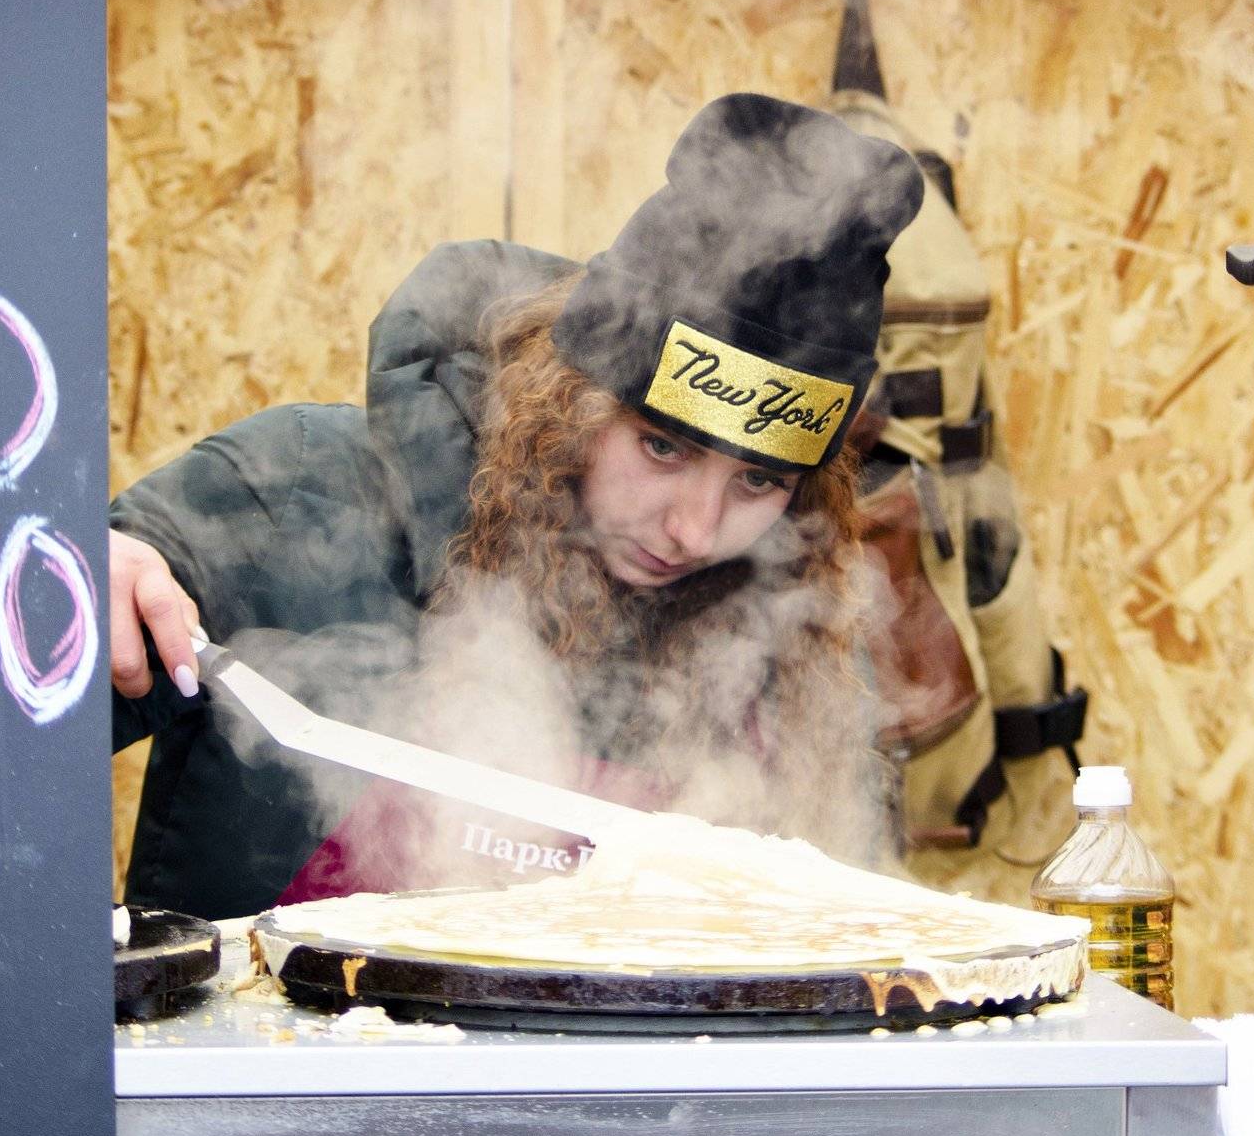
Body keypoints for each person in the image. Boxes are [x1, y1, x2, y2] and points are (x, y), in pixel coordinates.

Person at [110, 93, 925, 919]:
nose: (693, 530)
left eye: (757, 482)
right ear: (571, 402)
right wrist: (70, 581)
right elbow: (34, 697)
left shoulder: (797, 646)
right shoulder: (289, 498)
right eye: (661, 448)